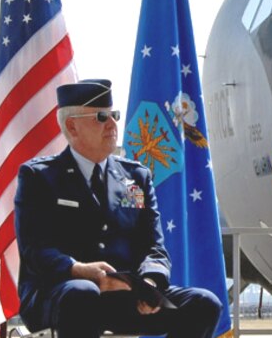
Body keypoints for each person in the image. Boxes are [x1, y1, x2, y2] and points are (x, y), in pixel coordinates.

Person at [14, 79, 222, 338]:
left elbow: (155, 247)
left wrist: (150, 281)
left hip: (125, 294)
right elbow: (35, 250)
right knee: (82, 292)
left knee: (203, 303)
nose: (113, 125)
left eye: (114, 115)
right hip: (60, 294)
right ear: (72, 126)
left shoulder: (136, 177)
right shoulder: (40, 177)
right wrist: (79, 269)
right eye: (101, 117)